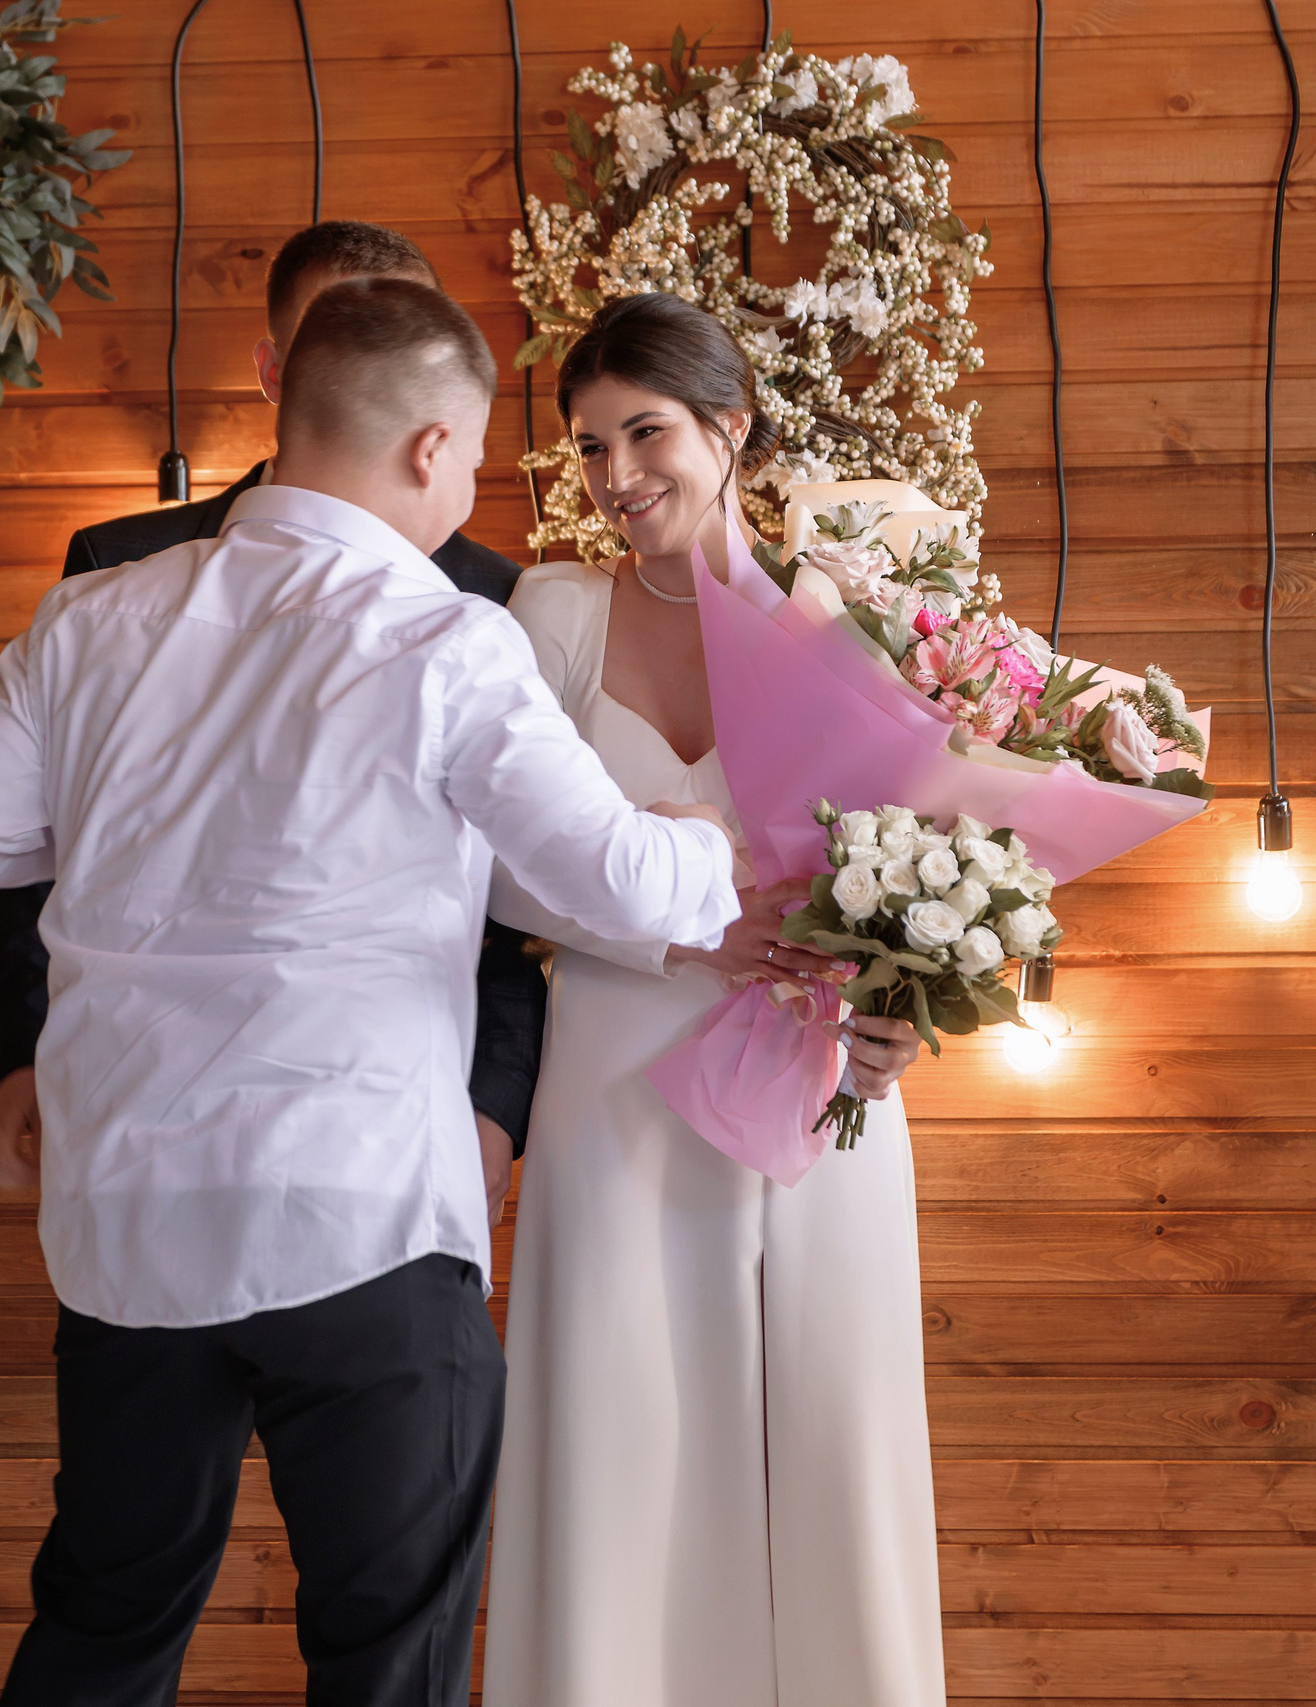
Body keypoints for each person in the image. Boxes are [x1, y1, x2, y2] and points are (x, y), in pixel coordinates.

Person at [0, 278, 744, 1707]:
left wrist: (132, 826)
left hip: (128, 1222)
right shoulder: (443, 637)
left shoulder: (91, 618)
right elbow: (620, 882)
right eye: (474, 459)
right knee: (383, 1660)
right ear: (430, 446)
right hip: (359, 1210)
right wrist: (711, 843)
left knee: (105, 1625)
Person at [481, 292, 947, 1707]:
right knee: (622, 1430)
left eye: (645, 434)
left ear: (730, 428)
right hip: (615, 1079)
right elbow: (493, 873)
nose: (616, 475)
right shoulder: (554, 617)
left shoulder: (848, 619)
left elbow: (930, 867)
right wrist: (688, 936)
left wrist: (904, 1010)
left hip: (816, 1081)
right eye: (590, 445)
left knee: (831, 1428)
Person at [0, 221, 544, 1221]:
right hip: (138, 1114)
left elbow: (517, 889)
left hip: (395, 1120)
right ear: (276, 368)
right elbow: (40, 838)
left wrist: (496, 1100)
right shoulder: (114, 567)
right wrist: (24, 1050)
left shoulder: (496, 596)